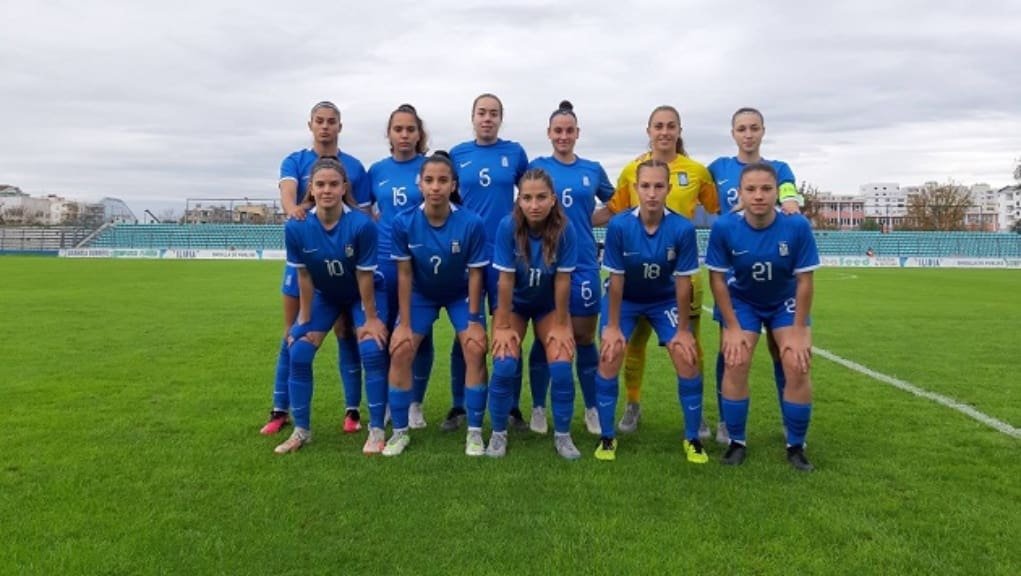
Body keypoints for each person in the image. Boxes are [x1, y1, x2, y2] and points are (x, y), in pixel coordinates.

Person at [593, 105, 718, 435]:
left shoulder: (698, 171)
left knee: (690, 346)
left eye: (670, 126)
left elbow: (721, 209)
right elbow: (614, 210)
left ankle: (697, 415)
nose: (664, 131)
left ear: (679, 131)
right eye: (658, 126)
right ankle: (632, 404)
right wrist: (574, 221)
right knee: (632, 345)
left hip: (680, 276)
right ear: (648, 131)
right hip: (635, 275)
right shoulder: (631, 170)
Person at [261, 101, 373, 438]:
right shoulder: (295, 161)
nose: (325, 126)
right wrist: (294, 211)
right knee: (293, 333)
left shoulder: (354, 166)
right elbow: (288, 196)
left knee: (346, 332)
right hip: (306, 259)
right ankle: (280, 410)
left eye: (331, 121)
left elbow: (361, 211)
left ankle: (352, 410)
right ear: (310, 125)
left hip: (341, 262)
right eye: (319, 121)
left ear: (340, 126)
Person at [705, 162, 820, 471]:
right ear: (740, 194)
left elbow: (805, 281)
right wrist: (731, 326)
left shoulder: (796, 226)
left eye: (767, 189)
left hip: (785, 302)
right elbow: (717, 279)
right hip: (743, 302)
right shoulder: (724, 227)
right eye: (751, 189)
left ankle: (796, 445)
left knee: (796, 362)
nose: (759, 195)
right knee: (736, 359)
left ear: (777, 193)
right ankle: (736, 442)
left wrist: (799, 329)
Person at [273, 157, 389, 454]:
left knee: (372, 348)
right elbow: (304, 274)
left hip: (363, 294)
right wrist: (304, 319)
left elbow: (364, 276)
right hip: (326, 295)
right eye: (321, 184)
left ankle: (377, 429)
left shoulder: (362, 224)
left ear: (344, 188)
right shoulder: (297, 226)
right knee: (299, 350)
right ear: (311, 189)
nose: (327, 190)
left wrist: (371, 319)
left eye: (333, 184)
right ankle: (301, 431)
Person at [594, 159, 706, 463]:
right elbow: (616, 280)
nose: (652, 193)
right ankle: (607, 438)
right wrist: (612, 326)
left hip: (663, 300)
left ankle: (693, 439)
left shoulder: (682, 228)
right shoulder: (619, 226)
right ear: (636, 188)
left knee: (687, 356)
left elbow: (683, 283)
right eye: (645, 186)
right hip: (625, 300)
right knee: (610, 353)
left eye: (658, 186)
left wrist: (683, 331)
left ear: (668, 189)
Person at [384, 152, 490, 457]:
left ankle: (474, 433)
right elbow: (404, 274)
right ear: (419, 184)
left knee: (475, 348)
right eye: (429, 180)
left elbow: (476, 274)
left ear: (453, 184)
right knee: (400, 349)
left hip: (460, 293)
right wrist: (404, 324)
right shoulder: (404, 222)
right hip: (422, 294)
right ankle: (400, 432)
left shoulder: (471, 222)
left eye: (443, 180)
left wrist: (474, 320)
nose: (435, 187)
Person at [707, 107, 801, 445]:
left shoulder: (780, 168)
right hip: (734, 278)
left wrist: (790, 203)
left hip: (775, 272)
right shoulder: (718, 168)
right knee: (729, 352)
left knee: (782, 352)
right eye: (742, 129)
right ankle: (725, 421)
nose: (748, 134)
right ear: (733, 133)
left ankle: (790, 423)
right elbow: (696, 196)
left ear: (763, 131)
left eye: (754, 128)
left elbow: (788, 196)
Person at [527, 100, 614, 436]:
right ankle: (538, 407)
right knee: (545, 336)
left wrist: (585, 222)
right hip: (545, 262)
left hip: (583, 263)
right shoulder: (537, 166)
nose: (563, 136)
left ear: (578, 133)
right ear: (549, 133)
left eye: (569, 131)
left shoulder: (592, 169)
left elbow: (615, 204)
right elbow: (526, 203)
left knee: (583, 337)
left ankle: (591, 408)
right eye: (558, 131)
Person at [448, 93, 529, 432]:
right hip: (467, 256)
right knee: (466, 332)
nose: (487, 118)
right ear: (472, 117)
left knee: (508, 329)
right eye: (481, 112)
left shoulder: (515, 152)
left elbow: (529, 193)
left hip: (504, 255)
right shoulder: (457, 154)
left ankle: (511, 407)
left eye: (493, 113)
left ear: (500, 118)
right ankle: (460, 406)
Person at [487, 168, 579, 459]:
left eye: (541, 197)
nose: (534, 204)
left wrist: (562, 325)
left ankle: (563, 436)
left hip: (547, 306)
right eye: (527, 198)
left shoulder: (565, 229)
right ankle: (498, 434)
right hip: (514, 305)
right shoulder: (508, 226)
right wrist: (502, 325)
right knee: (504, 363)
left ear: (553, 199)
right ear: (519, 200)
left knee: (561, 363)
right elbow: (505, 280)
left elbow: (563, 280)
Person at [367, 104, 434, 429]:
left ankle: (415, 404)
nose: (404, 135)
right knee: (384, 335)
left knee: (420, 335)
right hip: (384, 262)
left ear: (419, 134)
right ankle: (389, 402)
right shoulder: (377, 170)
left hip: (419, 262)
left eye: (410, 129)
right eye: (398, 129)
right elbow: (364, 211)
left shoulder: (429, 167)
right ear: (389, 134)